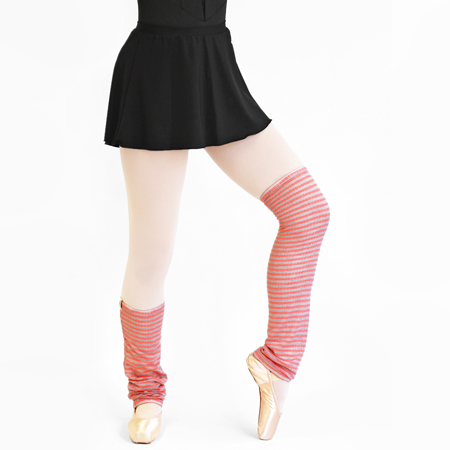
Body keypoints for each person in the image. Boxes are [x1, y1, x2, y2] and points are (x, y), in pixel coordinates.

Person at [104, 0, 331, 443]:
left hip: (212, 66)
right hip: (154, 70)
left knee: (307, 211)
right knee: (151, 254)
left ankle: (277, 364)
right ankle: (146, 391)